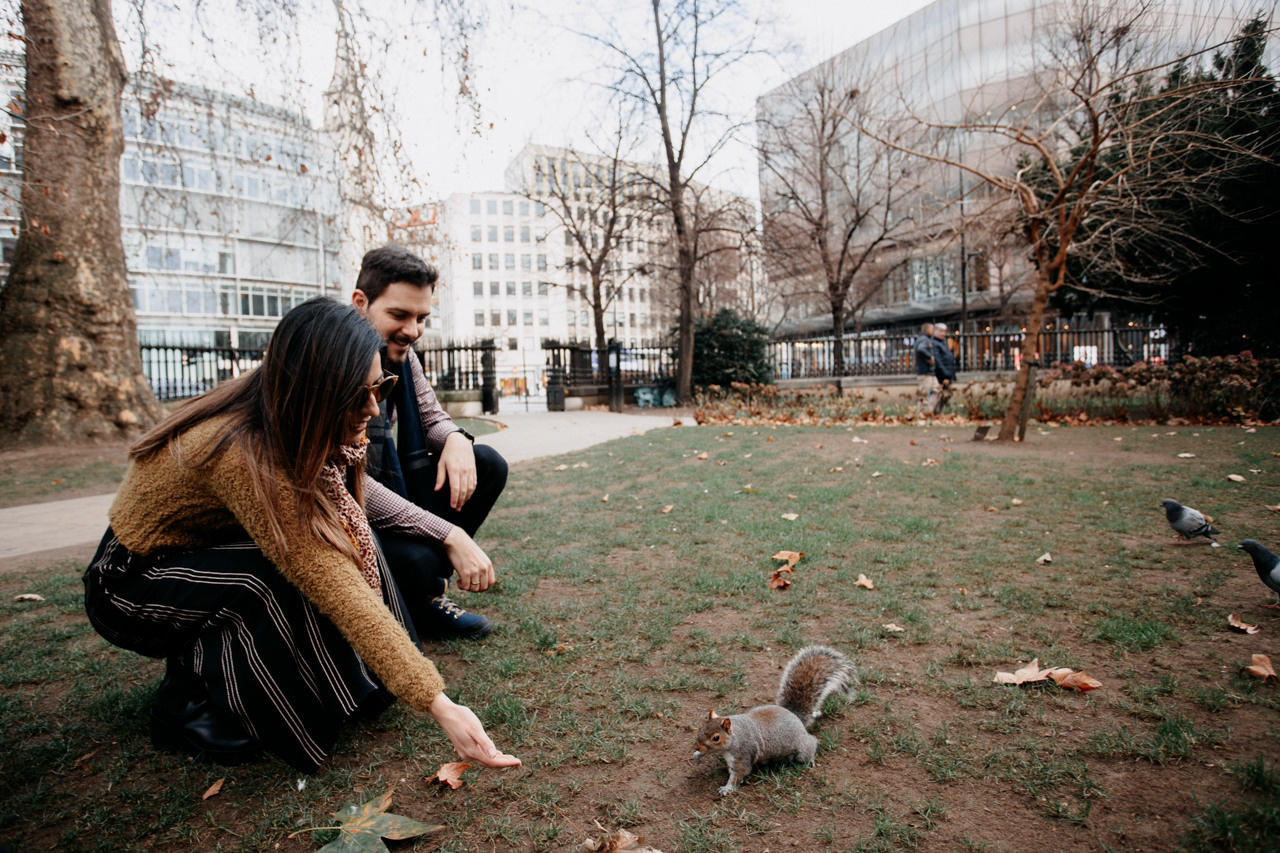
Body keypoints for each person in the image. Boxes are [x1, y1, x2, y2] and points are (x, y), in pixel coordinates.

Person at [82, 297, 521, 773]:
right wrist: (439, 703)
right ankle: (184, 701)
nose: (373, 408)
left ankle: (350, 679)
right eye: (357, 395)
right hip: (130, 581)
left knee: (343, 533)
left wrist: (447, 533)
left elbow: (355, 517)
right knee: (265, 574)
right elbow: (331, 577)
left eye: (379, 387)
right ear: (312, 390)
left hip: (202, 554)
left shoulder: (286, 411)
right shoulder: (245, 449)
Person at [351, 246, 507, 641]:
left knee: (486, 462)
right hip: (341, 509)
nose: (413, 330)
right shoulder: (331, 358)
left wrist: (456, 438)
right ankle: (415, 597)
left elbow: (430, 414)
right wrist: (448, 534)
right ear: (360, 303)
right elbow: (345, 477)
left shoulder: (402, 352)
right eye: (399, 315)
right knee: (421, 558)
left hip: (382, 492)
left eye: (422, 318)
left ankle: (418, 593)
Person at [932, 322, 957, 414]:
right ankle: (935, 412)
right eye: (941, 331)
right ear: (935, 331)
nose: (943, 333)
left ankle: (938, 412)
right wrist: (945, 373)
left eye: (944, 331)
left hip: (947, 373)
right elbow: (938, 360)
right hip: (941, 375)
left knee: (946, 394)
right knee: (940, 395)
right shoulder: (935, 343)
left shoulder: (942, 342)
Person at [913, 322, 937, 417]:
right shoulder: (924, 340)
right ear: (928, 330)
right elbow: (921, 349)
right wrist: (930, 357)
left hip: (929, 371)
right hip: (925, 371)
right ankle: (921, 413)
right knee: (924, 394)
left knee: (936, 390)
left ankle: (928, 411)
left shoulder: (925, 339)